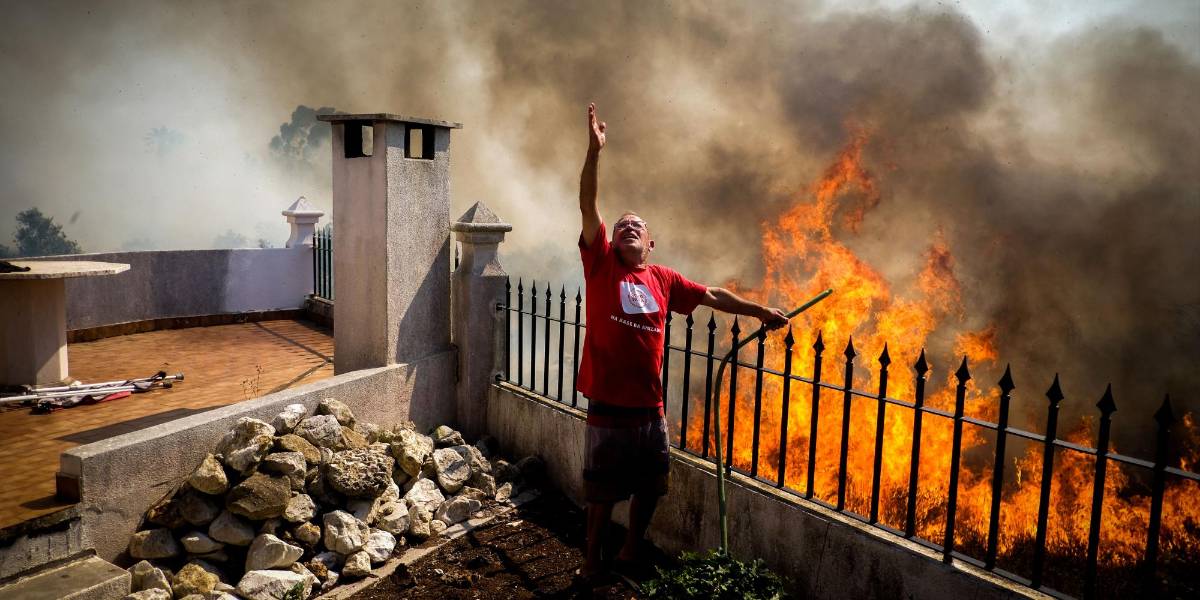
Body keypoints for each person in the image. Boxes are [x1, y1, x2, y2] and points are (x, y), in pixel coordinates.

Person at [576, 102, 789, 585]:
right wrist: (594, 153)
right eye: (623, 224)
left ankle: (631, 550)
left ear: (651, 244)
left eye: (638, 225)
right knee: (602, 492)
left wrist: (759, 310)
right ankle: (591, 559)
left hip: (649, 408)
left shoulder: (664, 278)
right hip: (608, 403)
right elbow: (589, 205)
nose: (628, 225)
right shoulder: (601, 264)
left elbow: (711, 293)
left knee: (650, 486)